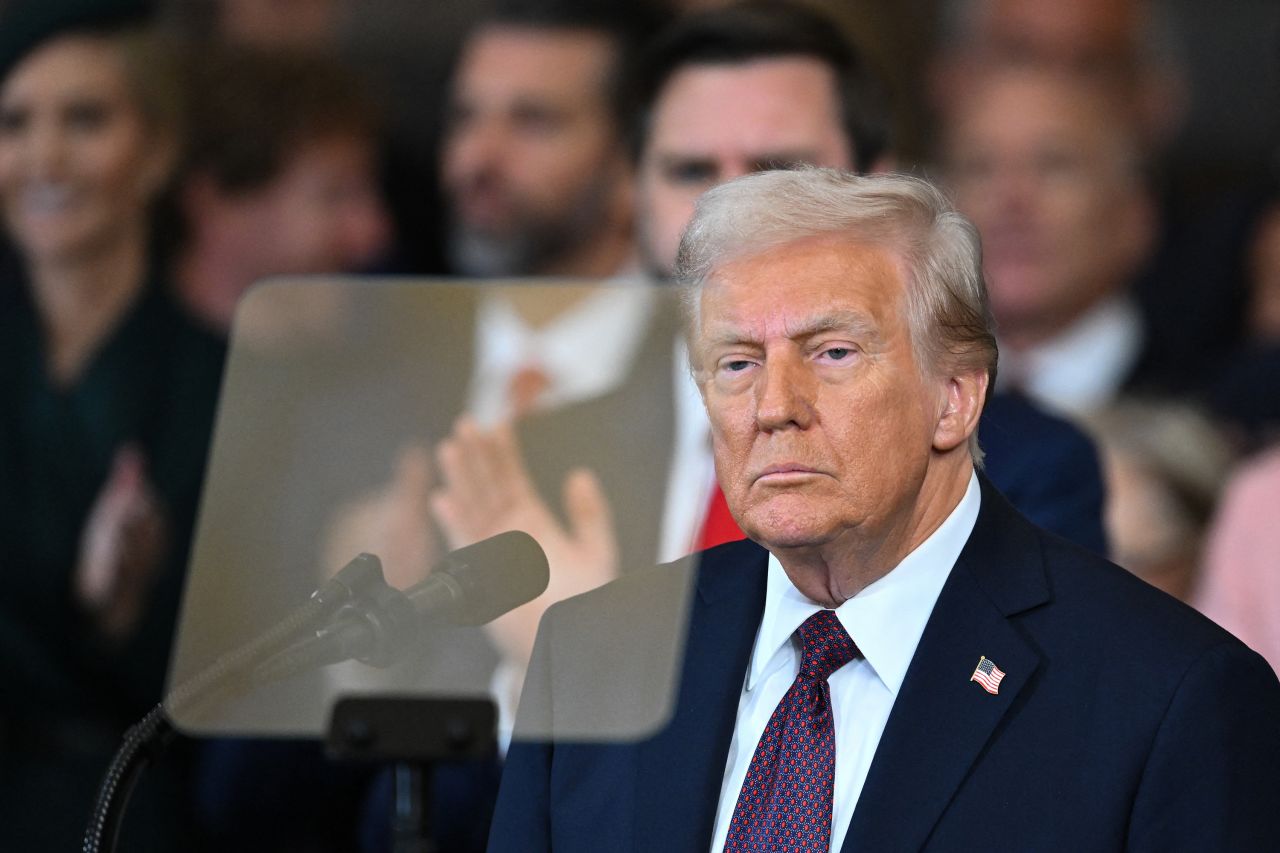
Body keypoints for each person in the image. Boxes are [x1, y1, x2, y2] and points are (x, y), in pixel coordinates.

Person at [488, 168, 1280, 852]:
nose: (774, 406)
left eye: (831, 353)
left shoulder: (1168, 696)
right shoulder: (595, 650)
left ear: (955, 397)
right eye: (737, 362)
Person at [0, 3, 224, 850]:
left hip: (138, 815)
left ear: (158, 150)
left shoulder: (221, 379)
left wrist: (126, 610)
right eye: (13, 123)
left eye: (84, 119)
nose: (44, 157)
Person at [940, 61, 1160, 416]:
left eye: (1054, 165)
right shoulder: (895, 395)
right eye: (979, 167)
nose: (1012, 197)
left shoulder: (1217, 401)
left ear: (1132, 216)